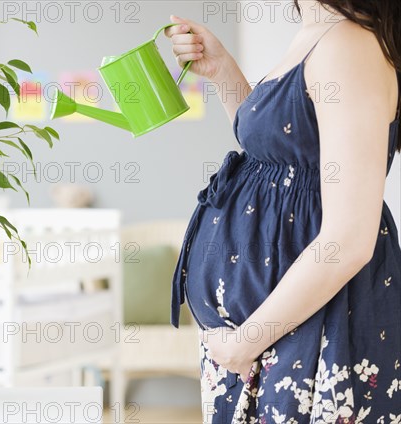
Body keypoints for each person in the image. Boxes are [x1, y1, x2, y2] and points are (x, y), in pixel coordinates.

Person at [166, 0, 401, 421]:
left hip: (309, 333)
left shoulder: (348, 45)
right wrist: (223, 72)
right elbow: (278, 153)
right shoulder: (319, 32)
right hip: (274, 337)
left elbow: (347, 241)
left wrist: (245, 343)